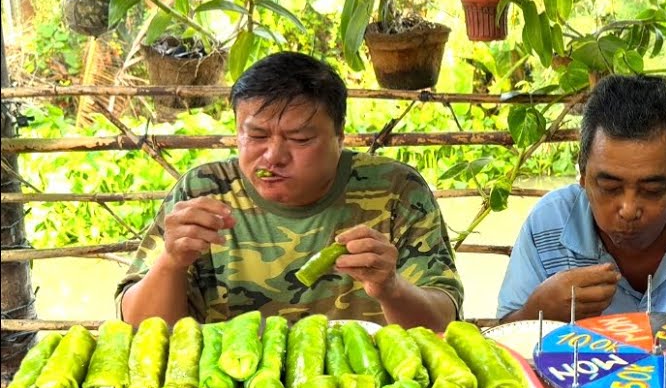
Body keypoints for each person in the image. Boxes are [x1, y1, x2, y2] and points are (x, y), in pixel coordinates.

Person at [118, 52, 463, 329]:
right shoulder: (204, 190)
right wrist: (171, 263)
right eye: (255, 136)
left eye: (300, 139)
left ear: (340, 136)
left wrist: (392, 288)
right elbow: (138, 327)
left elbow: (443, 322)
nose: (273, 156)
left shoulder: (396, 190)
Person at [497, 74, 666, 328]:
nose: (628, 210)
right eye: (609, 187)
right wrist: (538, 311)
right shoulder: (548, 224)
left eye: (651, 190)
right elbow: (504, 346)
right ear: (582, 174)